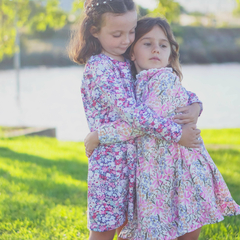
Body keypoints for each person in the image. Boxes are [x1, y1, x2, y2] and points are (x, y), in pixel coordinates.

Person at [84, 17, 240, 240]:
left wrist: (99, 136)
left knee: (182, 227)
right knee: (168, 227)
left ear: (170, 54)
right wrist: (197, 105)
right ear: (132, 52)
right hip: (160, 168)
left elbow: (141, 123)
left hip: (179, 168)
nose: (156, 49)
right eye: (147, 43)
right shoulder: (140, 80)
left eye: (163, 45)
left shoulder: (162, 81)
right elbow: (182, 98)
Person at [69, 1, 202, 239]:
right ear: (95, 31)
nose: (127, 39)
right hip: (110, 165)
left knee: (131, 229)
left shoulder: (127, 61)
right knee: (104, 230)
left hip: (139, 163)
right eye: (117, 34)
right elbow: (135, 116)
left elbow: (165, 94)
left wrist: (195, 105)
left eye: (131, 32)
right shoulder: (101, 67)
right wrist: (177, 133)